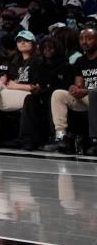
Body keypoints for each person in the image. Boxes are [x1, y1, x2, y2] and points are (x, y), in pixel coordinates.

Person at [42, 26, 97, 154]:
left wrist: (86, 91)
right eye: (82, 39)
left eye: (89, 39)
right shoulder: (80, 61)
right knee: (58, 94)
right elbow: (79, 84)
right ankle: (61, 136)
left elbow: (88, 91)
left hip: (94, 96)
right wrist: (74, 88)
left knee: (94, 93)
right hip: (87, 98)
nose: (84, 42)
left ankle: (95, 141)